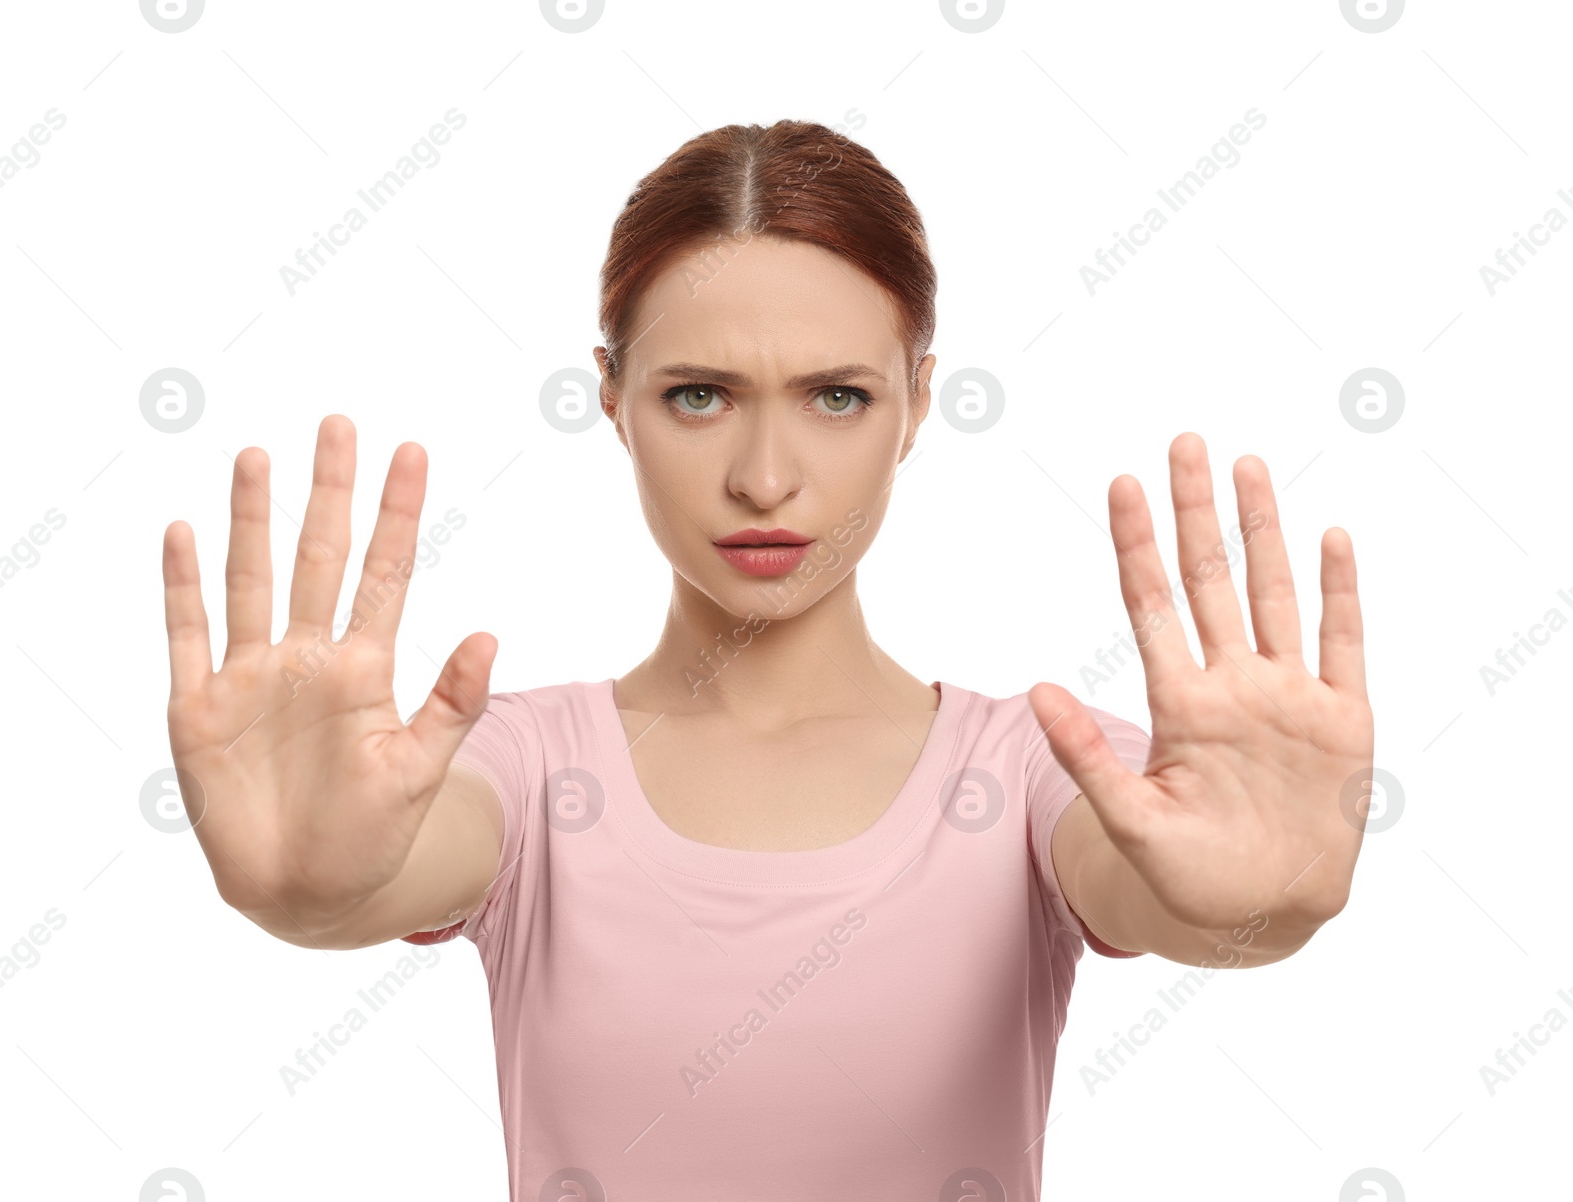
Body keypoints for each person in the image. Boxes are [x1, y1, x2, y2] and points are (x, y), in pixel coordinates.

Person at [160, 119, 1373, 1201]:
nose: (764, 476)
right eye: (698, 395)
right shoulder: (523, 773)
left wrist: (1263, 899)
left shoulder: (1039, 773)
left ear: (917, 400)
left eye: (836, 397)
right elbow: (375, 864)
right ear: (613, 398)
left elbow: (1168, 881)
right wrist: (308, 885)